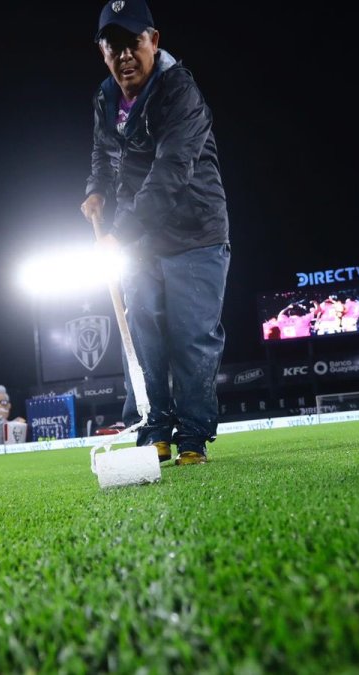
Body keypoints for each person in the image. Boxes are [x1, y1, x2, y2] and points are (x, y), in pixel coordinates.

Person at [81, 0, 230, 466]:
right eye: (113, 47)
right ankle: (155, 430)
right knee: (144, 334)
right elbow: (103, 155)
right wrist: (96, 191)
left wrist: (120, 232)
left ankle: (193, 437)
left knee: (191, 337)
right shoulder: (106, 97)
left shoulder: (179, 91)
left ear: (154, 41)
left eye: (134, 44)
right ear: (103, 52)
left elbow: (171, 171)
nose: (125, 56)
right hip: (138, 238)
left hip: (194, 232)